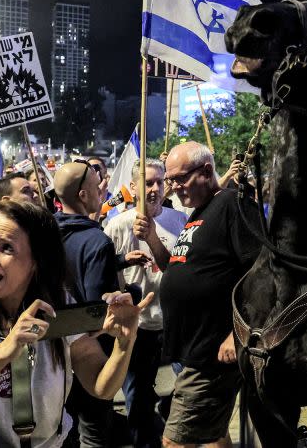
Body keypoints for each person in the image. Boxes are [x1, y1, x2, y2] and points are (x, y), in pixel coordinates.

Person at [0, 201, 152, 447]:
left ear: (37, 261)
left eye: (6, 248)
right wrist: (0, 354)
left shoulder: (56, 304)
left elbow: (100, 386)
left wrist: (125, 342)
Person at [159, 142, 262, 448]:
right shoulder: (201, 211)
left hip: (212, 354)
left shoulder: (234, 203)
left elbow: (258, 271)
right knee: (215, 435)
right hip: (194, 349)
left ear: (206, 171)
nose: (174, 188)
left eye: (180, 179)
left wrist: (237, 332)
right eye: (171, 180)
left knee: (175, 442)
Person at [53, 159, 144, 447]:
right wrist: (132, 294)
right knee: (94, 433)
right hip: (90, 356)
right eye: (97, 186)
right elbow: (97, 310)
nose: (103, 189)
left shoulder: (45, 234)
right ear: (82, 195)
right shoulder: (97, 241)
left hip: (54, 354)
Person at [105, 159, 188, 448]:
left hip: (174, 322)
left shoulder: (179, 221)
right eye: (147, 182)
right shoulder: (116, 225)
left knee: (188, 393)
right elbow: (110, 276)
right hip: (138, 328)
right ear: (132, 187)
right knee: (137, 401)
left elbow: (183, 270)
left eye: (159, 182)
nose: (154, 189)